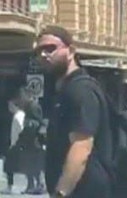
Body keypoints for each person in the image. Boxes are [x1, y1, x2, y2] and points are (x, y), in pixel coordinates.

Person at [36, 25, 113, 198]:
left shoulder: (81, 90)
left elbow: (81, 147)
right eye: (39, 51)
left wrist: (61, 193)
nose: (43, 55)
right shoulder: (65, 89)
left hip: (85, 191)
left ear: (70, 51)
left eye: (50, 48)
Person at [1, 90, 25, 195]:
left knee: (9, 166)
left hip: (15, 143)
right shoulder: (21, 115)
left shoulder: (17, 116)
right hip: (15, 142)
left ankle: (10, 186)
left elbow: (20, 129)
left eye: (10, 106)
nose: (9, 108)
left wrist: (15, 143)